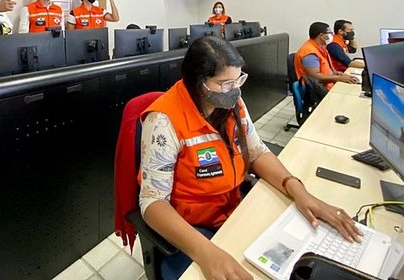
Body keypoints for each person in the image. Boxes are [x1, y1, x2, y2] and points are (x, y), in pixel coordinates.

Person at [139, 37, 362, 279]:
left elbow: (256, 151)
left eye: (238, 80)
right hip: (193, 227)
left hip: (232, 211)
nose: (234, 90)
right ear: (199, 83)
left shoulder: (232, 100)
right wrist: (204, 251)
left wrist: (299, 191)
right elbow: (152, 202)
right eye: (224, 84)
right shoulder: (163, 121)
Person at [294, 22, 359, 91]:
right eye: (330, 33)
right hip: (315, 91)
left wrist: (337, 74)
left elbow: (326, 69)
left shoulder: (321, 47)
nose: (332, 35)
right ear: (321, 36)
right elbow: (315, 77)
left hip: (327, 85)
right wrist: (338, 78)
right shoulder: (309, 53)